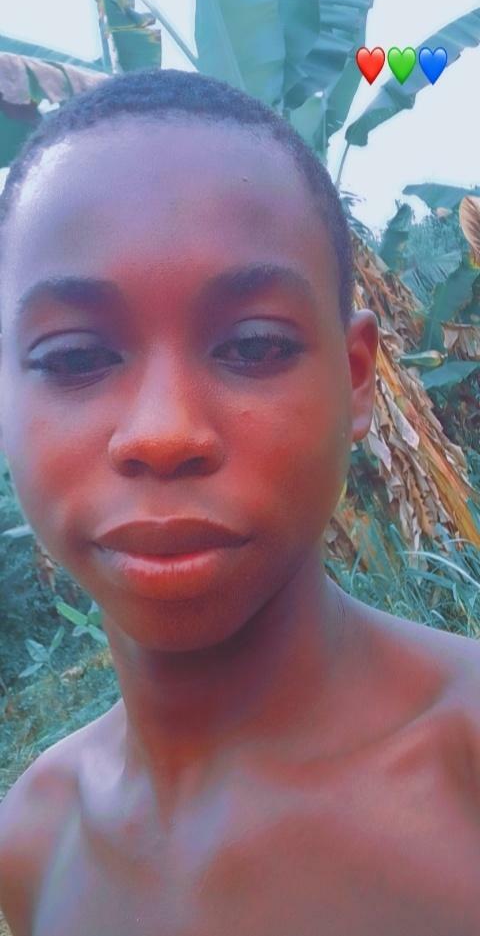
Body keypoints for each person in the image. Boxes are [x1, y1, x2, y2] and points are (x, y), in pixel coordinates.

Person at [0, 67, 478, 936]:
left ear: (357, 378)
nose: (164, 433)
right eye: (74, 358)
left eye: (253, 345)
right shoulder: (34, 840)